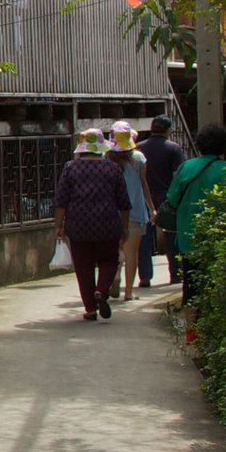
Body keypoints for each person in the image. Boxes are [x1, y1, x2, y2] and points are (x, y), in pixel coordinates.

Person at [53, 127, 129, 322]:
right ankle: (101, 290)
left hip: (78, 226)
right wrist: (125, 228)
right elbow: (123, 202)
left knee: (83, 266)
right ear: (100, 147)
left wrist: (59, 226)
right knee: (109, 260)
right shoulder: (112, 168)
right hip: (108, 224)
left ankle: (90, 308)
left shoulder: (71, 168)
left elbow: (61, 200)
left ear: (82, 147)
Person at [163, 124, 226, 306]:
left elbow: (172, 199)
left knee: (191, 291)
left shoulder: (186, 167)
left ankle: (191, 332)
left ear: (199, 145)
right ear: (225, 146)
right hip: (224, 240)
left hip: (189, 239)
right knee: (221, 290)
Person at [138, 117, 187, 286]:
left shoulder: (139, 148)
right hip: (167, 196)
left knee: (144, 237)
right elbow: (177, 176)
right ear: (168, 130)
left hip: (144, 196)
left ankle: (145, 277)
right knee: (171, 236)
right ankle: (175, 274)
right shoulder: (173, 148)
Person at [109, 122, 151, 302]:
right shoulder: (138, 158)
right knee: (132, 252)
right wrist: (152, 207)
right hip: (135, 210)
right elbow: (143, 184)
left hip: (111, 212)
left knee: (115, 250)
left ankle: (115, 274)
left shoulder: (106, 157)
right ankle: (129, 292)